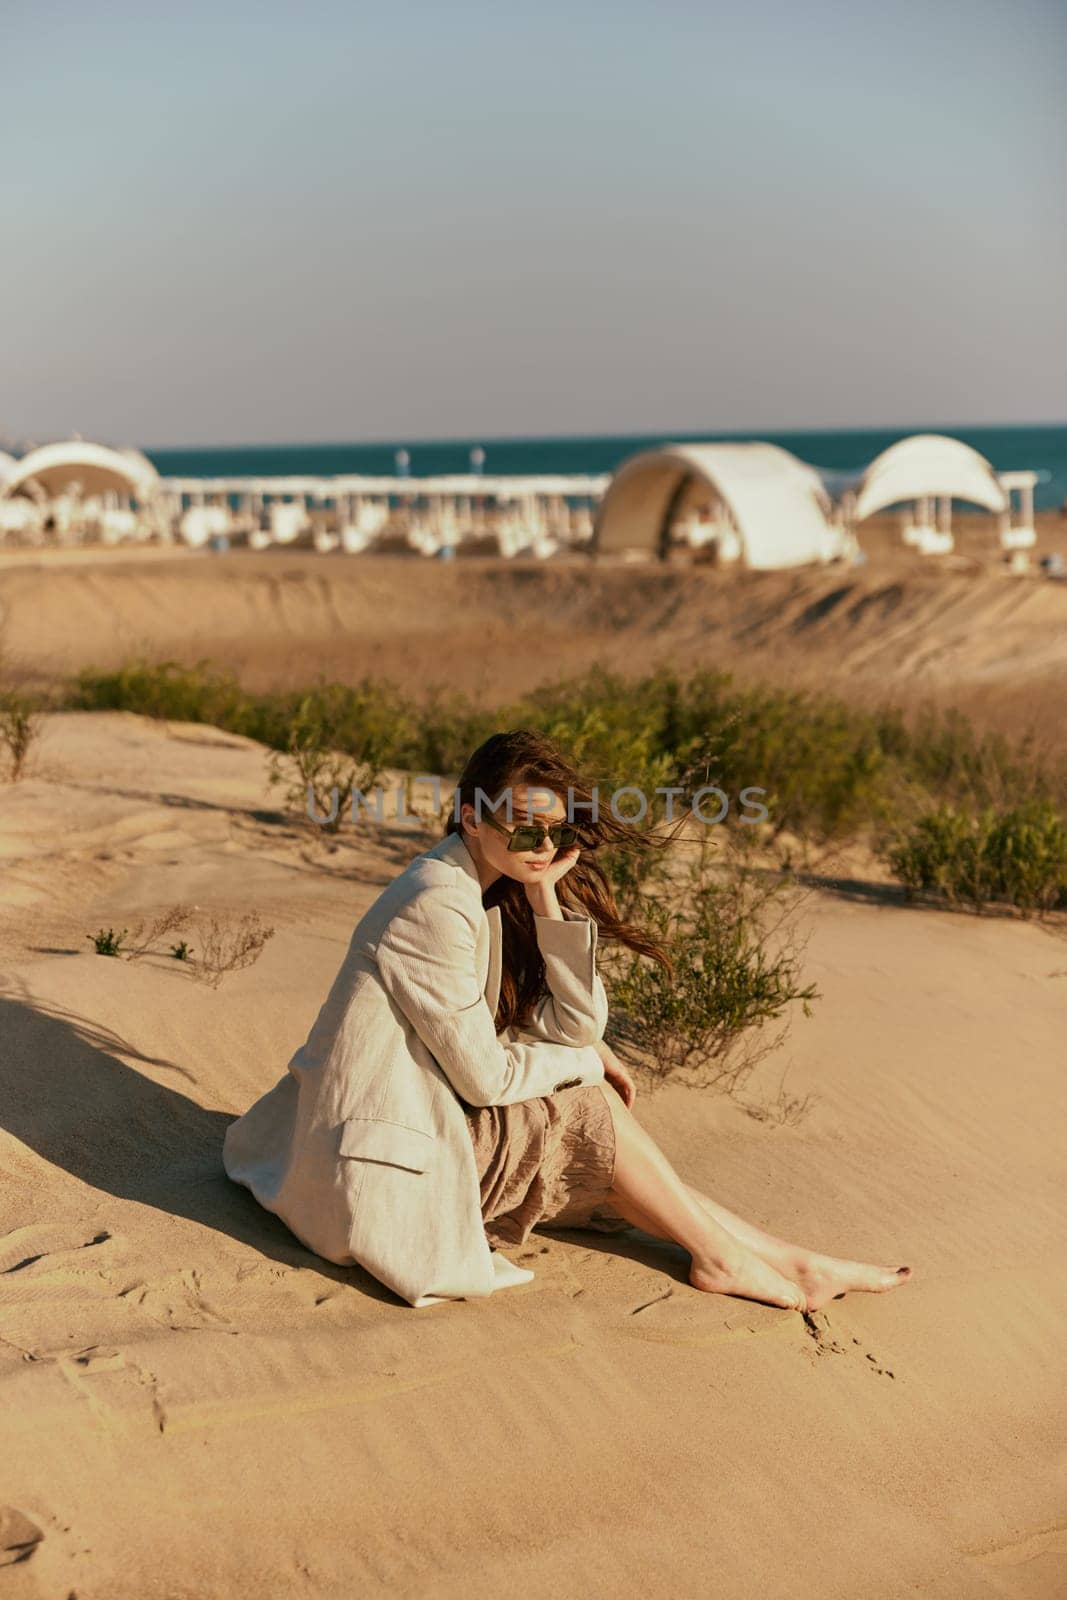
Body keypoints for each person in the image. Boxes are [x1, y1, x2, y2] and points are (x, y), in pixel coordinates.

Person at [223, 729, 912, 1313]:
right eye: (524, 828)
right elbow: (489, 1077)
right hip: (372, 1173)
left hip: (402, 1135)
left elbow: (577, 1028)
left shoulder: (483, 889)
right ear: (469, 817)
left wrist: (546, 896)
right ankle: (724, 1260)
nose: (542, 845)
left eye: (559, 832)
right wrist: (587, 1064)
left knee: (612, 1144)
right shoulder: (435, 902)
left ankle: (787, 1259)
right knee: (591, 1113)